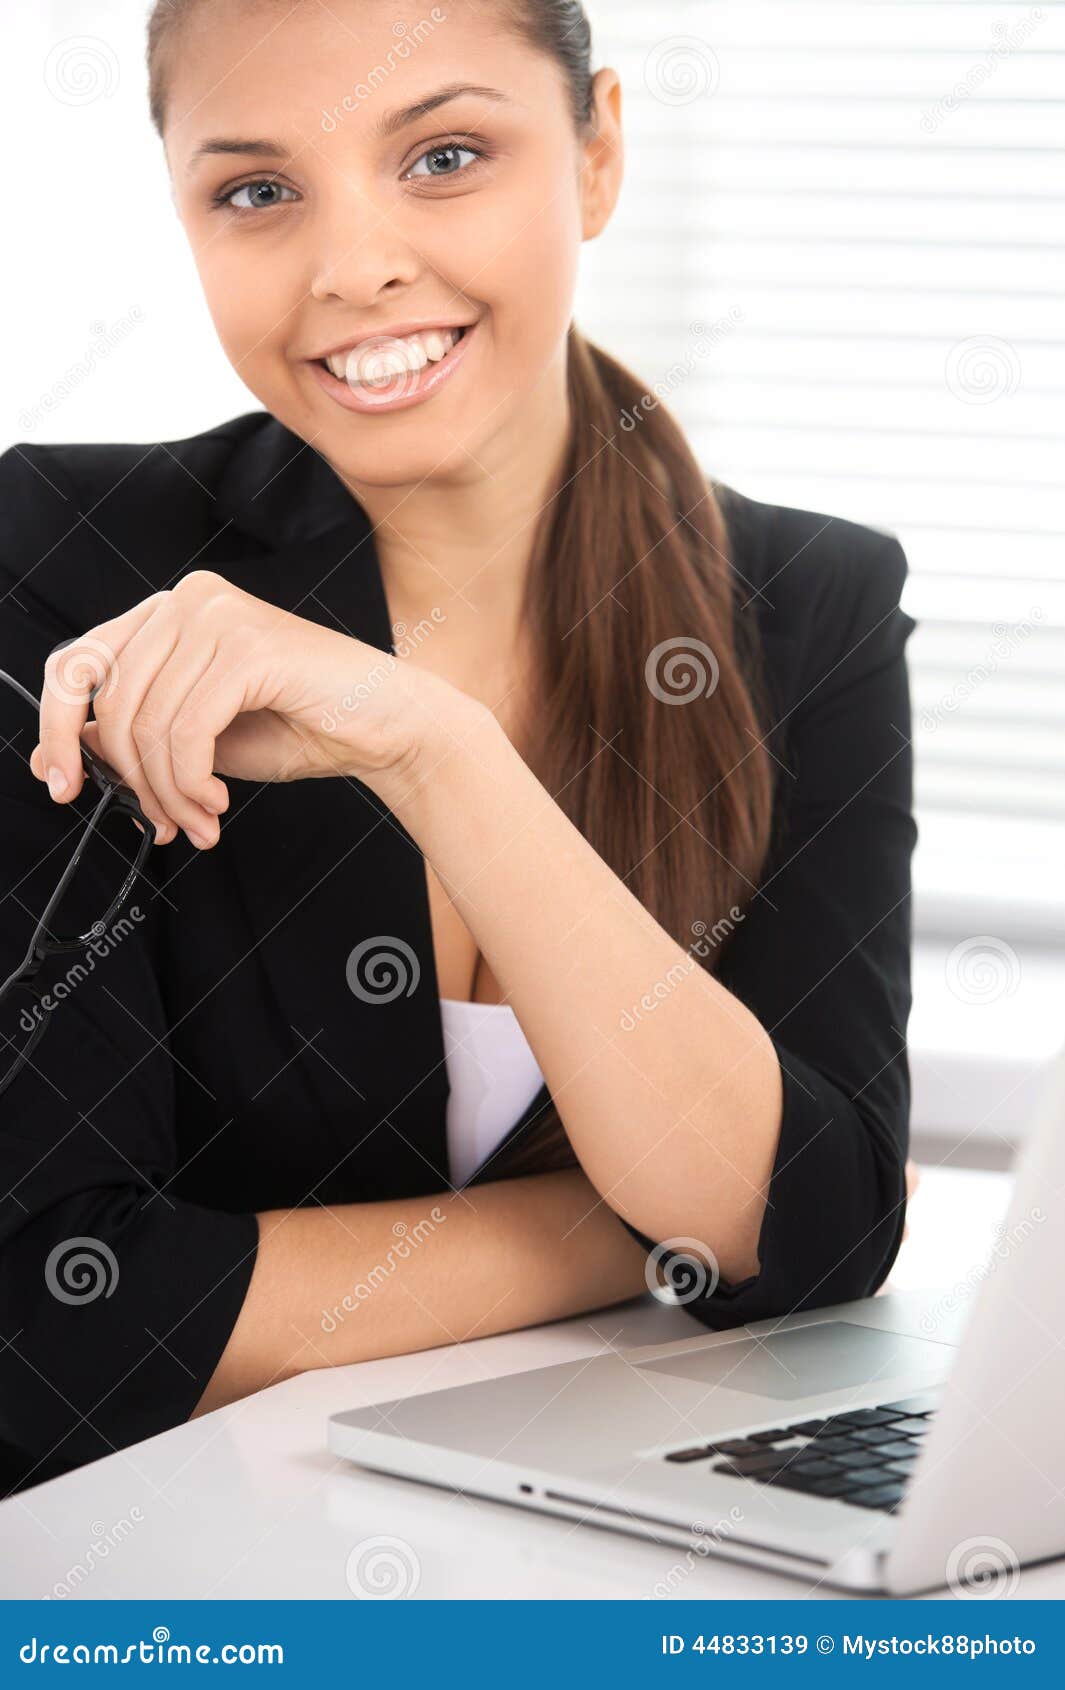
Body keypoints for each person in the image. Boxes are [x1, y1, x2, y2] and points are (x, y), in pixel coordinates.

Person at [0, 0, 919, 1499]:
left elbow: (809, 1225)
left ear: (598, 150)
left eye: (441, 154)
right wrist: (632, 1218)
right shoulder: (62, 562)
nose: (353, 265)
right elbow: (53, 1311)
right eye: (256, 190)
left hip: (578, 1549)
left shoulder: (803, 609)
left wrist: (441, 752)